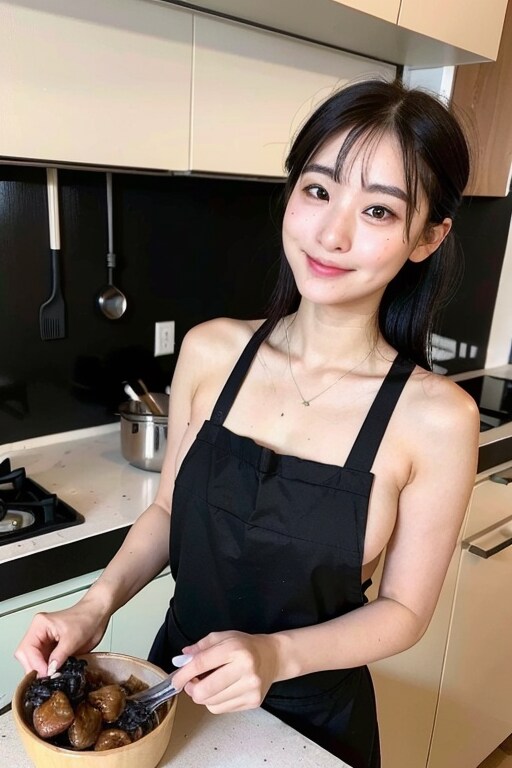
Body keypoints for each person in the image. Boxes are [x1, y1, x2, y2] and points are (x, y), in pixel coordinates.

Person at [16, 77, 480, 768]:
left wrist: (275, 655)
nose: (332, 233)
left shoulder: (438, 418)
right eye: (318, 190)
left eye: (379, 210)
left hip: (315, 722)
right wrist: (96, 605)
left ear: (428, 237)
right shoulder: (211, 351)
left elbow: (404, 611)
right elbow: (168, 510)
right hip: (169, 693)